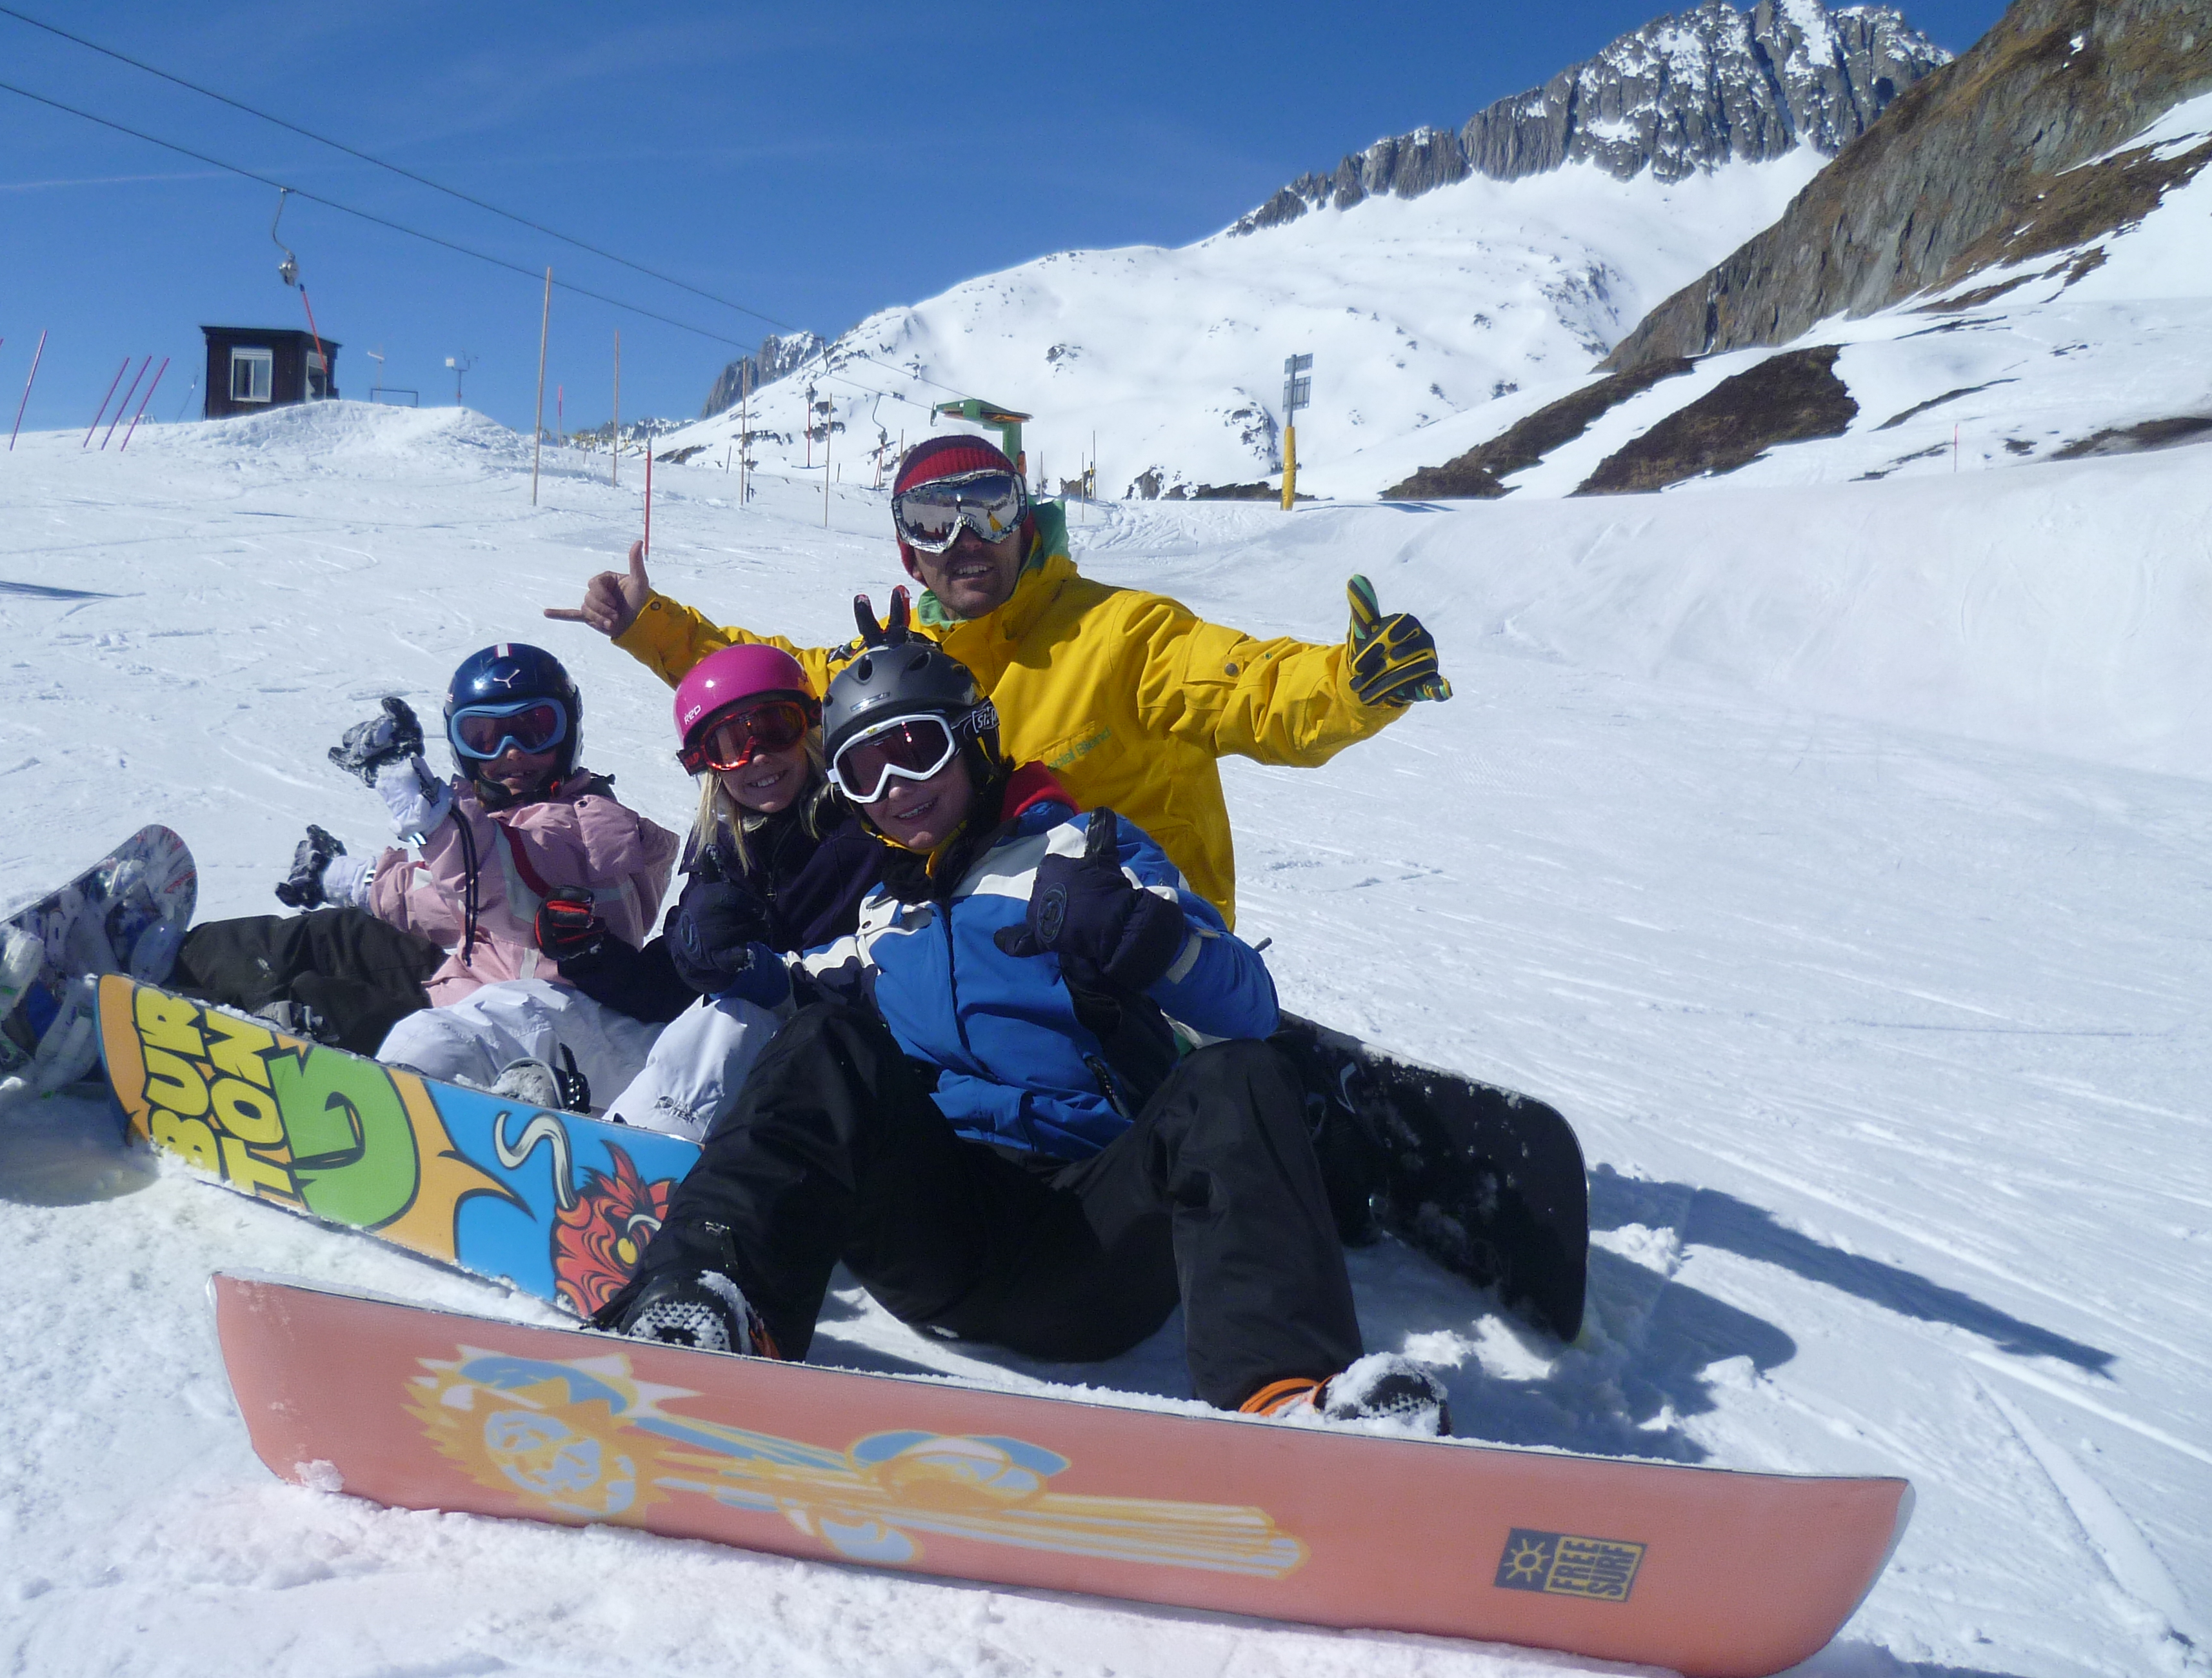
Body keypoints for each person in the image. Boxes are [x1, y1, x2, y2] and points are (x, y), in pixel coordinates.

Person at [591, 603, 1451, 1436]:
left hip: (1095, 1244)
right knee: (823, 1043)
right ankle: (706, 1305)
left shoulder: (1085, 853)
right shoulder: (886, 913)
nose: (897, 790)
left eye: (916, 751)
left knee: (1239, 1075)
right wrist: (714, 957)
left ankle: (1291, 1395)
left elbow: (1248, 1007)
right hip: (942, 1234)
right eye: (864, 772)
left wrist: (1144, 940)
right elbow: (785, 1024)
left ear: (974, 740)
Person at [546, 432, 1450, 926]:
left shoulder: (1122, 633)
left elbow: (1250, 686)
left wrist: (1351, 684)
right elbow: (771, 684)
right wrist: (647, 625)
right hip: (980, 940)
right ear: (907, 547)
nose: (964, 540)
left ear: (1027, 521)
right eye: (934, 521)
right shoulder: (904, 665)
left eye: (989, 508)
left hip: (1134, 938)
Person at [170, 644, 679, 1098]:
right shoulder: (495, 825)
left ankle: (211, 1038)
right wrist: (346, 878)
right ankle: (179, 959)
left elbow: (513, 889)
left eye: (534, 730)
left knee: (327, 1002)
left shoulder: (598, 829)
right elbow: (442, 896)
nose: (512, 754)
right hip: (464, 978)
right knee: (337, 936)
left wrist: (435, 815)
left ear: (570, 733)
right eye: (485, 736)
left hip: (522, 1023)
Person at [553, 642, 886, 1139]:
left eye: (775, 730)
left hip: (846, 1058)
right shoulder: (723, 847)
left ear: (811, 728)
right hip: (753, 1068)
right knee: (543, 1002)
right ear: (705, 765)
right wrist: (592, 956)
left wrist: (760, 974)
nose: (757, 758)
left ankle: (627, 1164)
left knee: (732, 1018)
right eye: (730, 746)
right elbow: (666, 991)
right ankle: (441, 1074)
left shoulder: (863, 829)